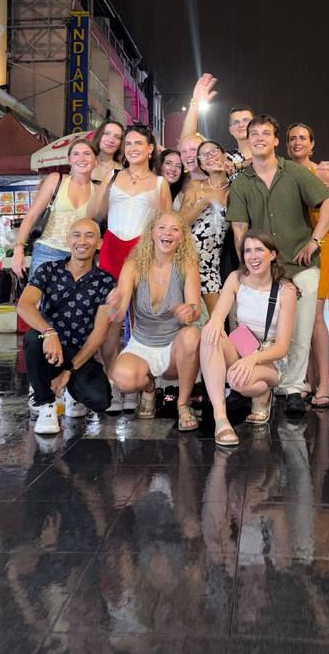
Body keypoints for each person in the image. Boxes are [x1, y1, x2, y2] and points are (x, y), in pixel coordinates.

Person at [226, 114, 329, 415]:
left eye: (266, 133)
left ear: (276, 140)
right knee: (249, 327)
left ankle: (292, 388)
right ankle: (257, 378)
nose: (259, 137)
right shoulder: (241, 183)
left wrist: (315, 240)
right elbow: (239, 227)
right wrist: (246, 265)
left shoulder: (294, 172)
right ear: (248, 141)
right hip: (262, 270)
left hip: (301, 265)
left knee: (301, 330)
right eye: (254, 133)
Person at [88, 125, 172, 410]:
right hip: (112, 248)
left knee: (142, 317)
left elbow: (166, 226)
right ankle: (114, 381)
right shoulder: (112, 176)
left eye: (139, 143)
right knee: (110, 318)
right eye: (129, 143)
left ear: (151, 149)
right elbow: (94, 214)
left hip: (143, 251)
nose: (133, 147)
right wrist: (101, 185)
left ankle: (143, 381)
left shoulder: (161, 184)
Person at [17, 219, 115, 434]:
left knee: (101, 401)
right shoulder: (48, 270)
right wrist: (49, 332)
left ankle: (70, 389)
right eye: (77, 235)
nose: (82, 241)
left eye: (89, 235)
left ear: (99, 243)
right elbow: (24, 306)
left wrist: (69, 370)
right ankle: (46, 404)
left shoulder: (106, 282)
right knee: (33, 338)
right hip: (48, 347)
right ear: (68, 240)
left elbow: (99, 333)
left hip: (79, 354)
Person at [201, 230, 298, 445]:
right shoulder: (236, 278)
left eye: (259, 250)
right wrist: (216, 319)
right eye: (247, 251)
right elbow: (219, 312)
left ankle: (263, 392)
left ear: (272, 254)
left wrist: (252, 359)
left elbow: (282, 347)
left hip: (271, 357)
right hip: (243, 345)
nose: (252, 256)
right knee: (209, 333)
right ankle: (221, 418)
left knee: (237, 379)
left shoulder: (286, 290)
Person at [107, 212, 202, 430]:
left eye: (175, 229)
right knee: (122, 378)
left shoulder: (186, 265)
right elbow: (120, 307)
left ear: (182, 238)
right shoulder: (133, 265)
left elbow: (195, 308)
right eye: (162, 228)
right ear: (151, 233)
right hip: (142, 344)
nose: (167, 233)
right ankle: (149, 387)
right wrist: (114, 305)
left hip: (174, 350)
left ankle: (183, 404)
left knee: (192, 334)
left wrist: (189, 311)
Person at [286, 122, 329, 408]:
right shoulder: (285, 172)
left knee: (316, 318)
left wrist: (324, 190)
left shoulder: (321, 171)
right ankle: (306, 380)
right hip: (297, 245)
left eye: (303, 138)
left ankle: (324, 383)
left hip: (322, 243)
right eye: (292, 138)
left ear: (312, 144)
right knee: (301, 318)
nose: (298, 142)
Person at [12, 138, 97, 279]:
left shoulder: (99, 190)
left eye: (87, 154)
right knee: (39, 299)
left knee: (74, 301)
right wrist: (18, 249)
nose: (81, 158)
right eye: (76, 154)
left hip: (80, 257)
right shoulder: (56, 180)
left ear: (96, 160)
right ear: (69, 159)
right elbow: (31, 216)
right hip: (47, 251)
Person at [179, 140, 230, 313]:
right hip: (188, 260)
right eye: (204, 155)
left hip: (212, 265)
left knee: (217, 320)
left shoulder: (235, 189)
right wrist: (204, 202)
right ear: (201, 165)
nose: (210, 157)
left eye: (214, 151)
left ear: (224, 155)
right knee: (188, 319)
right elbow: (180, 223)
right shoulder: (196, 186)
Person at [180, 73, 254, 172]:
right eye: (235, 122)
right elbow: (187, 142)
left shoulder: (269, 156)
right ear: (230, 130)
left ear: (255, 125)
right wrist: (195, 103)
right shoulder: (224, 158)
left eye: (246, 120)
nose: (241, 124)